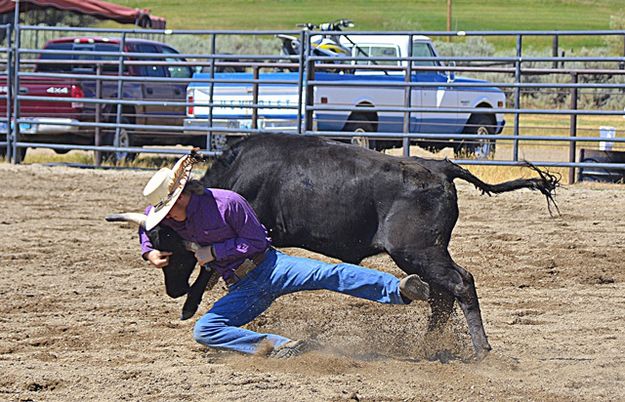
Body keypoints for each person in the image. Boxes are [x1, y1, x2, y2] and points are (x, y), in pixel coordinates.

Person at [138, 154, 430, 358]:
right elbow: (147, 222)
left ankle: (397, 289)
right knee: (205, 330)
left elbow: (255, 242)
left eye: (169, 209)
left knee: (329, 273)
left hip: (271, 266)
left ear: (182, 196)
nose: (167, 217)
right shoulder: (169, 215)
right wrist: (149, 252)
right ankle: (278, 346)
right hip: (242, 288)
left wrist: (213, 251)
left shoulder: (228, 203)